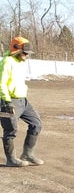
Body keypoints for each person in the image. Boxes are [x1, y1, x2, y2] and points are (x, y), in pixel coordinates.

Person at [0, 36, 44, 167]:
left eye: (28, 54)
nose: (26, 56)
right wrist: (6, 102)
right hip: (9, 100)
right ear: (16, 50)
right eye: (25, 53)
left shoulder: (20, 62)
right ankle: (11, 159)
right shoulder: (7, 62)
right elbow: (1, 83)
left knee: (36, 123)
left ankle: (27, 154)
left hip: (22, 100)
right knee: (10, 130)